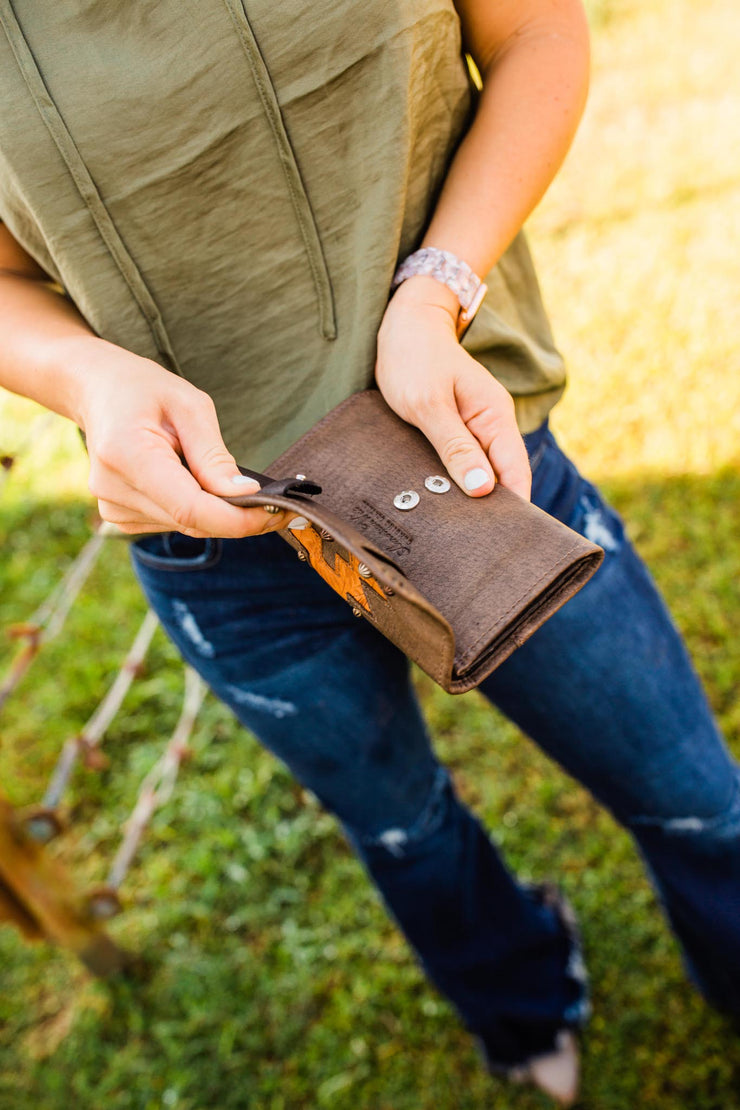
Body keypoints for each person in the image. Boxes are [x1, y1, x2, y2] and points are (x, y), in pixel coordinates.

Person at [0, 1, 738, 1103]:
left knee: (687, 795)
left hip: (464, 461)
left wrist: (432, 293)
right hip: (217, 533)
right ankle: (520, 1000)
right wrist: (86, 379)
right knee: (403, 829)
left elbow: (536, 36)